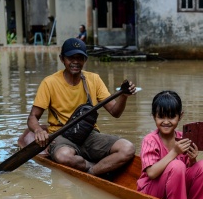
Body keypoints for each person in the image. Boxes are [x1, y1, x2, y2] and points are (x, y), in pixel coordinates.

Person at [27, 37, 137, 176]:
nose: (75, 62)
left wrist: (123, 96)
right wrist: (38, 130)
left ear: (85, 60)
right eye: (70, 58)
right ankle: (92, 166)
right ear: (62, 59)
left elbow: (115, 112)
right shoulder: (49, 83)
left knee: (127, 148)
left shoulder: (94, 79)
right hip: (61, 136)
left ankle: (92, 171)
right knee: (63, 156)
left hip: (89, 134)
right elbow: (32, 117)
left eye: (80, 58)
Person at [137, 91, 203, 199]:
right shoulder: (150, 140)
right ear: (154, 116)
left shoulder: (183, 138)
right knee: (177, 166)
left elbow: (187, 170)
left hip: (176, 188)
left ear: (180, 116)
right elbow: (151, 173)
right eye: (161, 117)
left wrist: (193, 159)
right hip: (152, 190)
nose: (166, 122)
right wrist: (174, 152)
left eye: (171, 117)